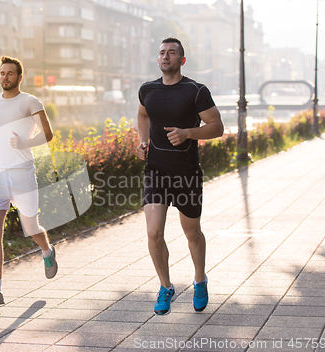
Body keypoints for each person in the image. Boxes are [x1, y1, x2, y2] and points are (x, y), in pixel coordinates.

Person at [136, 38, 224, 315]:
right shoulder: (147, 89)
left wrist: (188, 133)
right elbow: (142, 114)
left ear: (181, 60)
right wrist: (142, 141)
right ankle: (165, 286)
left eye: (171, 52)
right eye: (162, 52)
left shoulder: (196, 91)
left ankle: (200, 280)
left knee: (192, 232)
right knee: (153, 231)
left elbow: (217, 126)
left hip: (186, 173)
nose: (165, 56)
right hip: (156, 170)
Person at [0, 56, 58, 305]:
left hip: (23, 173)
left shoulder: (30, 102)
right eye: (2, 73)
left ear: (19, 77)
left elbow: (48, 133)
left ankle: (47, 251)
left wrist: (25, 143)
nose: (5, 77)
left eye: (10, 74)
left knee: (30, 227)